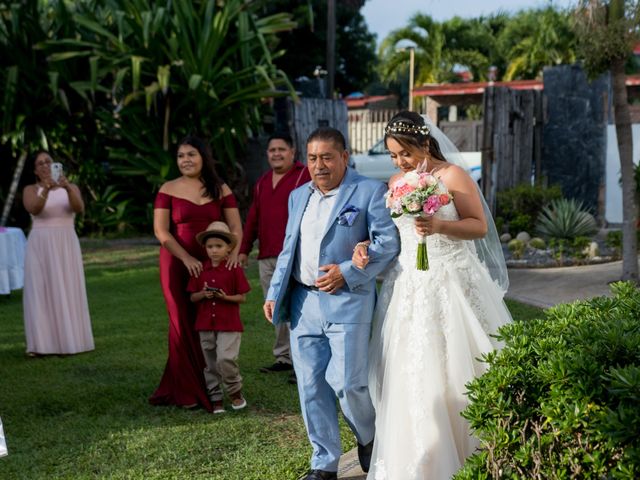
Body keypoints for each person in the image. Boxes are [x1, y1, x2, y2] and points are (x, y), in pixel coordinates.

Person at [352, 111, 512, 479]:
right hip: (410, 287)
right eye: (393, 155)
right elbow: (392, 237)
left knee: (457, 367)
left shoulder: (452, 175)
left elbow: (479, 226)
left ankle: (473, 458)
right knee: (412, 373)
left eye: (404, 153)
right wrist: (365, 246)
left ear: (424, 143)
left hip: (451, 282)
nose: (400, 162)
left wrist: (440, 225)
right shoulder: (396, 182)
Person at [263, 127, 400, 480]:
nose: (319, 165)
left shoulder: (369, 191)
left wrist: (346, 273)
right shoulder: (298, 197)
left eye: (326, 157)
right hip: (303, 303)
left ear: (344, 156)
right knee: (310, 386)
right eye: (312, 158)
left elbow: (387, 243)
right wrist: (274, 291)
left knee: (347, 383)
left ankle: (369, 438)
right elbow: (288, 249)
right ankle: (324, 463)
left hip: (347, 302)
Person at [150, 136, 243, 412]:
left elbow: (235, 225)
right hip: (176, 264)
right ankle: (186, 389)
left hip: (212, 263)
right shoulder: (167, 189)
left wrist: (233, 253)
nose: (186, 160)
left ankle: (210, 384)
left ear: (204, 157)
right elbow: (161, 231)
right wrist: (186, 257)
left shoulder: (219, 188)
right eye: (181, 156)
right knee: (181, 322)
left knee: (206, 322)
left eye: (191, 154)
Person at [238, 133, 310, 377]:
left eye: (281, 149)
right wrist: (244, 249)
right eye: (272, 150)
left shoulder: (304, 175)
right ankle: (284, 357)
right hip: (267, 255)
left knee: (298, 306)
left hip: (295, 255)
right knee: (275, 306)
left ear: (293, 151)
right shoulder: (262, 182)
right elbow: (253, 219)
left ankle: (303, 359)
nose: (276, 154)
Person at [22, 151, 94, 356]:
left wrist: (67, 187)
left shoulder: (70, 187)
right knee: (41, 290)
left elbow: (79, 208)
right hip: (41, 243)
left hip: (65, 243)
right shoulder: (31, 189)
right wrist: (45, 189)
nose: (45, 166)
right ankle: (41, 345)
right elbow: (34, 209)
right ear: (35, 170)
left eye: (49, 162)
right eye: (40, 164)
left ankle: (70, 341)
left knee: (67, 287)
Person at [188, 221, 251, 414]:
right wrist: (203, 294)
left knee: (225, 359)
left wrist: (225, 297)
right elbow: (192, 296)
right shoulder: (200, 270)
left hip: (229, 324)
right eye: (210, 247)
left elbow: (242, 297)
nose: (214, 250)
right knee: (211, 363)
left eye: (219, 246)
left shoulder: (234, 269)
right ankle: (215, 397)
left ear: (229, 248)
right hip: (205, 324)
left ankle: (234, 392)